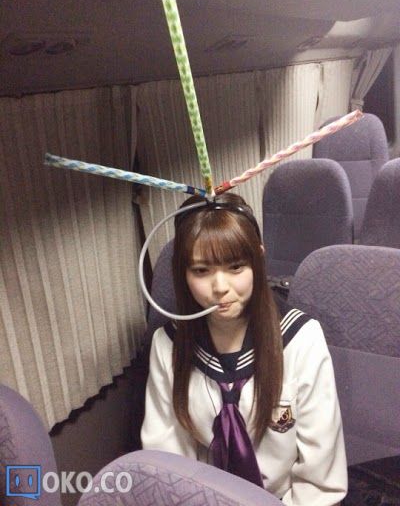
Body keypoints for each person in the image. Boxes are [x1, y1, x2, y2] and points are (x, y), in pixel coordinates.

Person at [141, 190, 348, 503]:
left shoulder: (301, 340)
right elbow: (168, 465)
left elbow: (319, 483)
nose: (220, 287)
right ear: (182, 273)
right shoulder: (168, 345)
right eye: (201, 271)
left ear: (258, 260)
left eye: (235, 267)